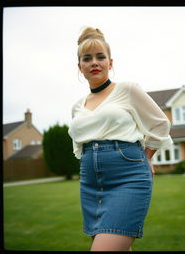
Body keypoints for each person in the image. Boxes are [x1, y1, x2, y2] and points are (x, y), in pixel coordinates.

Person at [68, 26, 173, 251]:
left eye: (100, 57)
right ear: (80, 67)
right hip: (90, 184)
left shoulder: (127, 90)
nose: (94, 62)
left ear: (110, 62)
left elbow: (160, 123)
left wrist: (147, 156)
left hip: (129, 177)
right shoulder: (77, 106)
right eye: (87, 58)